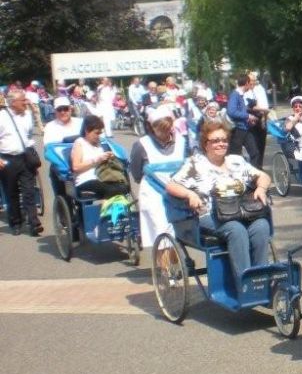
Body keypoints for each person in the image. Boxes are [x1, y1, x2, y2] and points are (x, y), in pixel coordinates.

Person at [167, 120, 273, 280]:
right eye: (215, 140)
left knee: (262, 226)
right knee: (236, 229)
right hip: (209, 215)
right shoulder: (195, 164)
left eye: (224, 140)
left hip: (242, 211)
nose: (221, 144)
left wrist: (261, 188)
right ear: (205, 144)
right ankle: (244, 282)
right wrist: (190, 194)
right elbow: (171, 185)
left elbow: (263, 176)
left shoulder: (236, 161)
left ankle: (261, 278)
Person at [130, 106, 187, 262]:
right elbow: (135, 171)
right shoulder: (142, 144)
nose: (163, 134)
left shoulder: (182, 141)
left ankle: (176, 267)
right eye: (159, 130)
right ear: (152, 127)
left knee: (178, 231)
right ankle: (167, 272)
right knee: (161, 230)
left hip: (178, 190)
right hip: (153, 192)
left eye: (167, 129)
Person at [0, 90, 43, 236]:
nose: (26, 103)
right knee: (11, 192)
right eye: (23, 101)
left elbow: (29, 135)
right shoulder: (2, 117)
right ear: (13, 103)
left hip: (25, 158)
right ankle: (16, 222)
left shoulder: (28, 116)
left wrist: (32, 151)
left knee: (29, 191)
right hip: (7, 159)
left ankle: (34, 223)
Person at [69, 115, 131, 199]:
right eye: (96, 133)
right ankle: (110, 209)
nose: (99, 136)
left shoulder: (99, 144)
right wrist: (97, 160)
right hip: (86, 180)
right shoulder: (79, 143)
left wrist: (109, 157)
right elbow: (76, 167)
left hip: (102, 177)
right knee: (111, 190)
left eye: (100, 133)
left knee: (125, 187)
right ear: (87, 131)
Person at [226, 74, 259, 167]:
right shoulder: (235, 95)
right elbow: (231, 112)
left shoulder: (240, 95)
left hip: (245, 128)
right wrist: (247, 115)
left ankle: (253, 178)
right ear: (246, 83)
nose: (251, 85)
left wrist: (248, 118)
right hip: (237, 130)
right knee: (235, 156)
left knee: (254, 153)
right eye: (250, 83)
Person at [245, 71, 270, 169]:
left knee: (261, 144)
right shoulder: (246, 91)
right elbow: (247, 107)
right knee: (253, 146)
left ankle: (260, 165)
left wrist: (265, 117)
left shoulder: (260, 89)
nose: (253, 82)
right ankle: (254, 167)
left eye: (254, 80)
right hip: (250, 120)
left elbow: (265, 104)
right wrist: (263, 109)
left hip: (262, 118)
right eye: (251, 81)